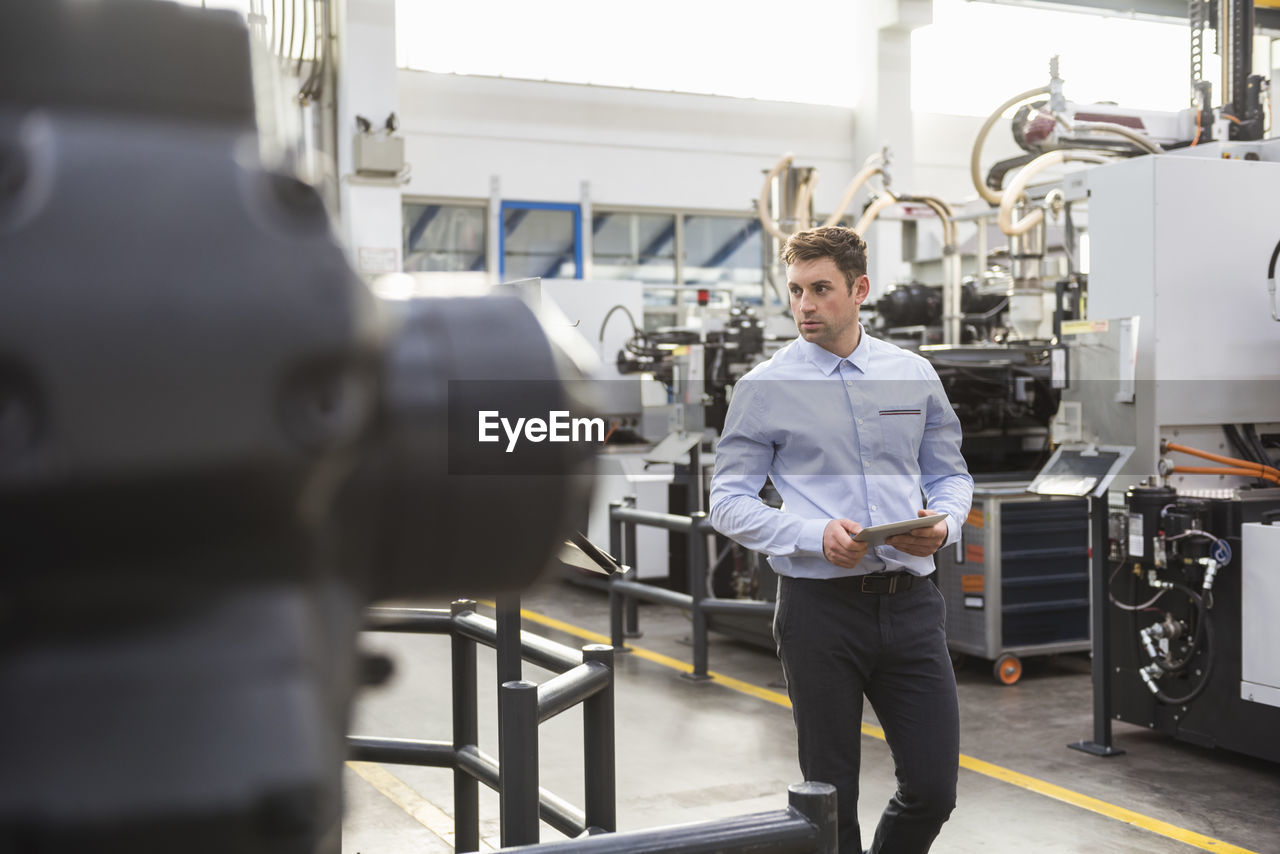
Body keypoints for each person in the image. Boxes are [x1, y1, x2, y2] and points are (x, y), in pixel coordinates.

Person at [709, 226, 973, 854]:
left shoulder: (912, 374)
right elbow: (727, 500)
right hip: (818, 611)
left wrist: (943, 524)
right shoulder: (764, 387)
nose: (804, 304)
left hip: (911, 607)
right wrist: (809, 534)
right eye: (796, 290)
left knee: (934, 789)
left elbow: (949, 473)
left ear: (859, 291)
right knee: (830, 801)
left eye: (820, 289)